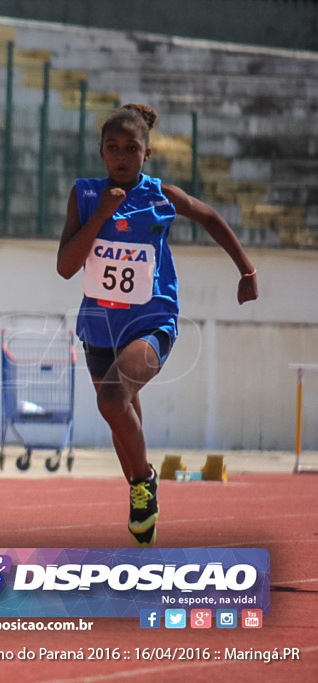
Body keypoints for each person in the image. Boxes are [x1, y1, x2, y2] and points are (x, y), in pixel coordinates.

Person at [56, 103, 258, 547]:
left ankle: (144, 483)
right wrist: (100, 217)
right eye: (113, 148)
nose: (121, 156)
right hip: (100, 326)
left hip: (152, 320)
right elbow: (66, 267)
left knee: (112, 399)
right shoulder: (86, 195)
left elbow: (209, 217)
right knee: (122, 418)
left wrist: (246, 271)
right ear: (101, 151)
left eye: (131, 148)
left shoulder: (160, 195)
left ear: (146, 154)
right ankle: (141, 497)